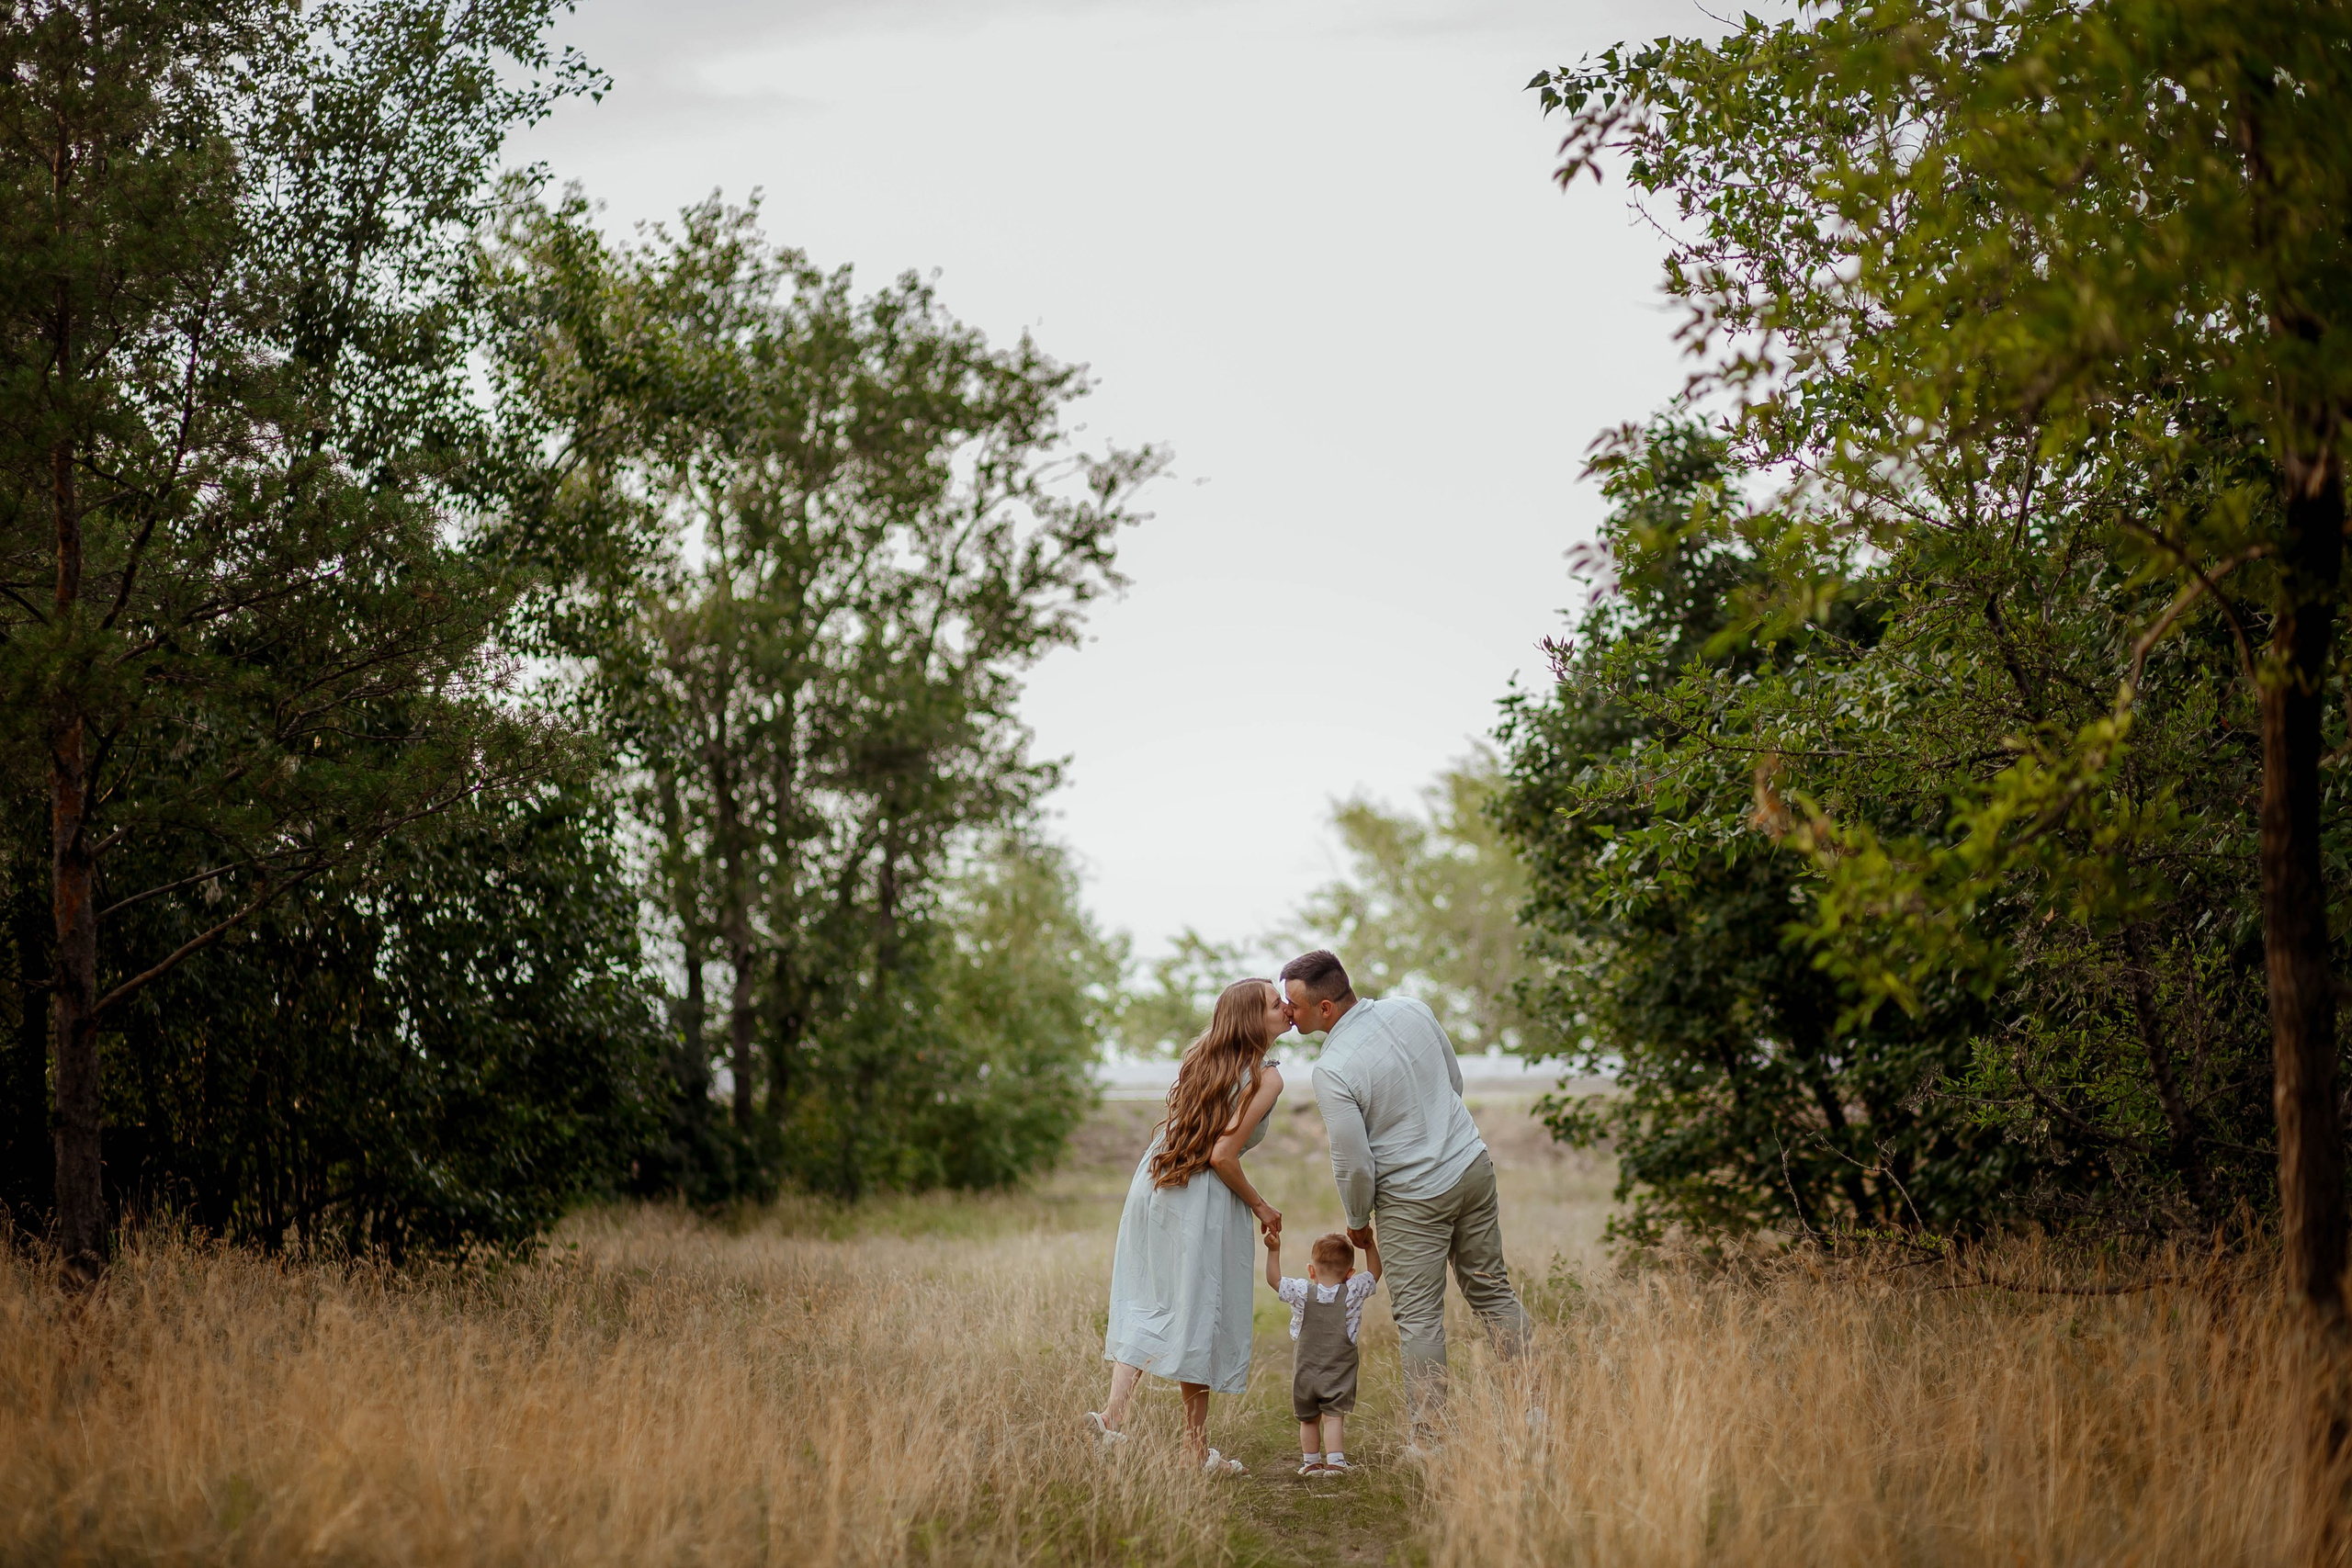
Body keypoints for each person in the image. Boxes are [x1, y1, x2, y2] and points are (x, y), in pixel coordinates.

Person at [1282, 948, 1528, 1454]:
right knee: (1493, 1292)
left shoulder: (1332, 1069)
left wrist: (1357, 1220)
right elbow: (1453, 1083)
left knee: (1419, 1318)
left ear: (1325, 1008)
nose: (1289, 1013)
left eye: (1295, 1005)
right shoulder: (1413, 1009)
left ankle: (1431, 1440)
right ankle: (1534, 1410)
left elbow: (1353, 1162)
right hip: (1471, 1165)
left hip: (1413, 1197)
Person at [1087, 977, 1288, 1473]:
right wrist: (1262, 1207)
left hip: (1155, 1181)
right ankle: (1194, 1452)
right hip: (1199, 1194)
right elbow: (1223, 1154)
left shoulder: (1202, 1057)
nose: (1285, 1006)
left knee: (1152, 1299)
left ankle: (1112, 1418)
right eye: (1274, 1002)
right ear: (1251, 1019)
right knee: (1199, 1310)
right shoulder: (1266, 1077)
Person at [1264, 1228, 1383, 1475]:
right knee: (1332, 1416)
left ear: (1311, 1270)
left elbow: (1274, 1281)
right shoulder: (1353, 1291)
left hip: (1305, 1371)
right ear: (1350, 1274)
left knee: (1308, 1418)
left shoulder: (1300, 1291)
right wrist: (1369, 1244)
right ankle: (1336, 1463)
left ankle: (1311, 1463)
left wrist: (1274, 1250)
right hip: (1338, 1372)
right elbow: (1374, 1273)